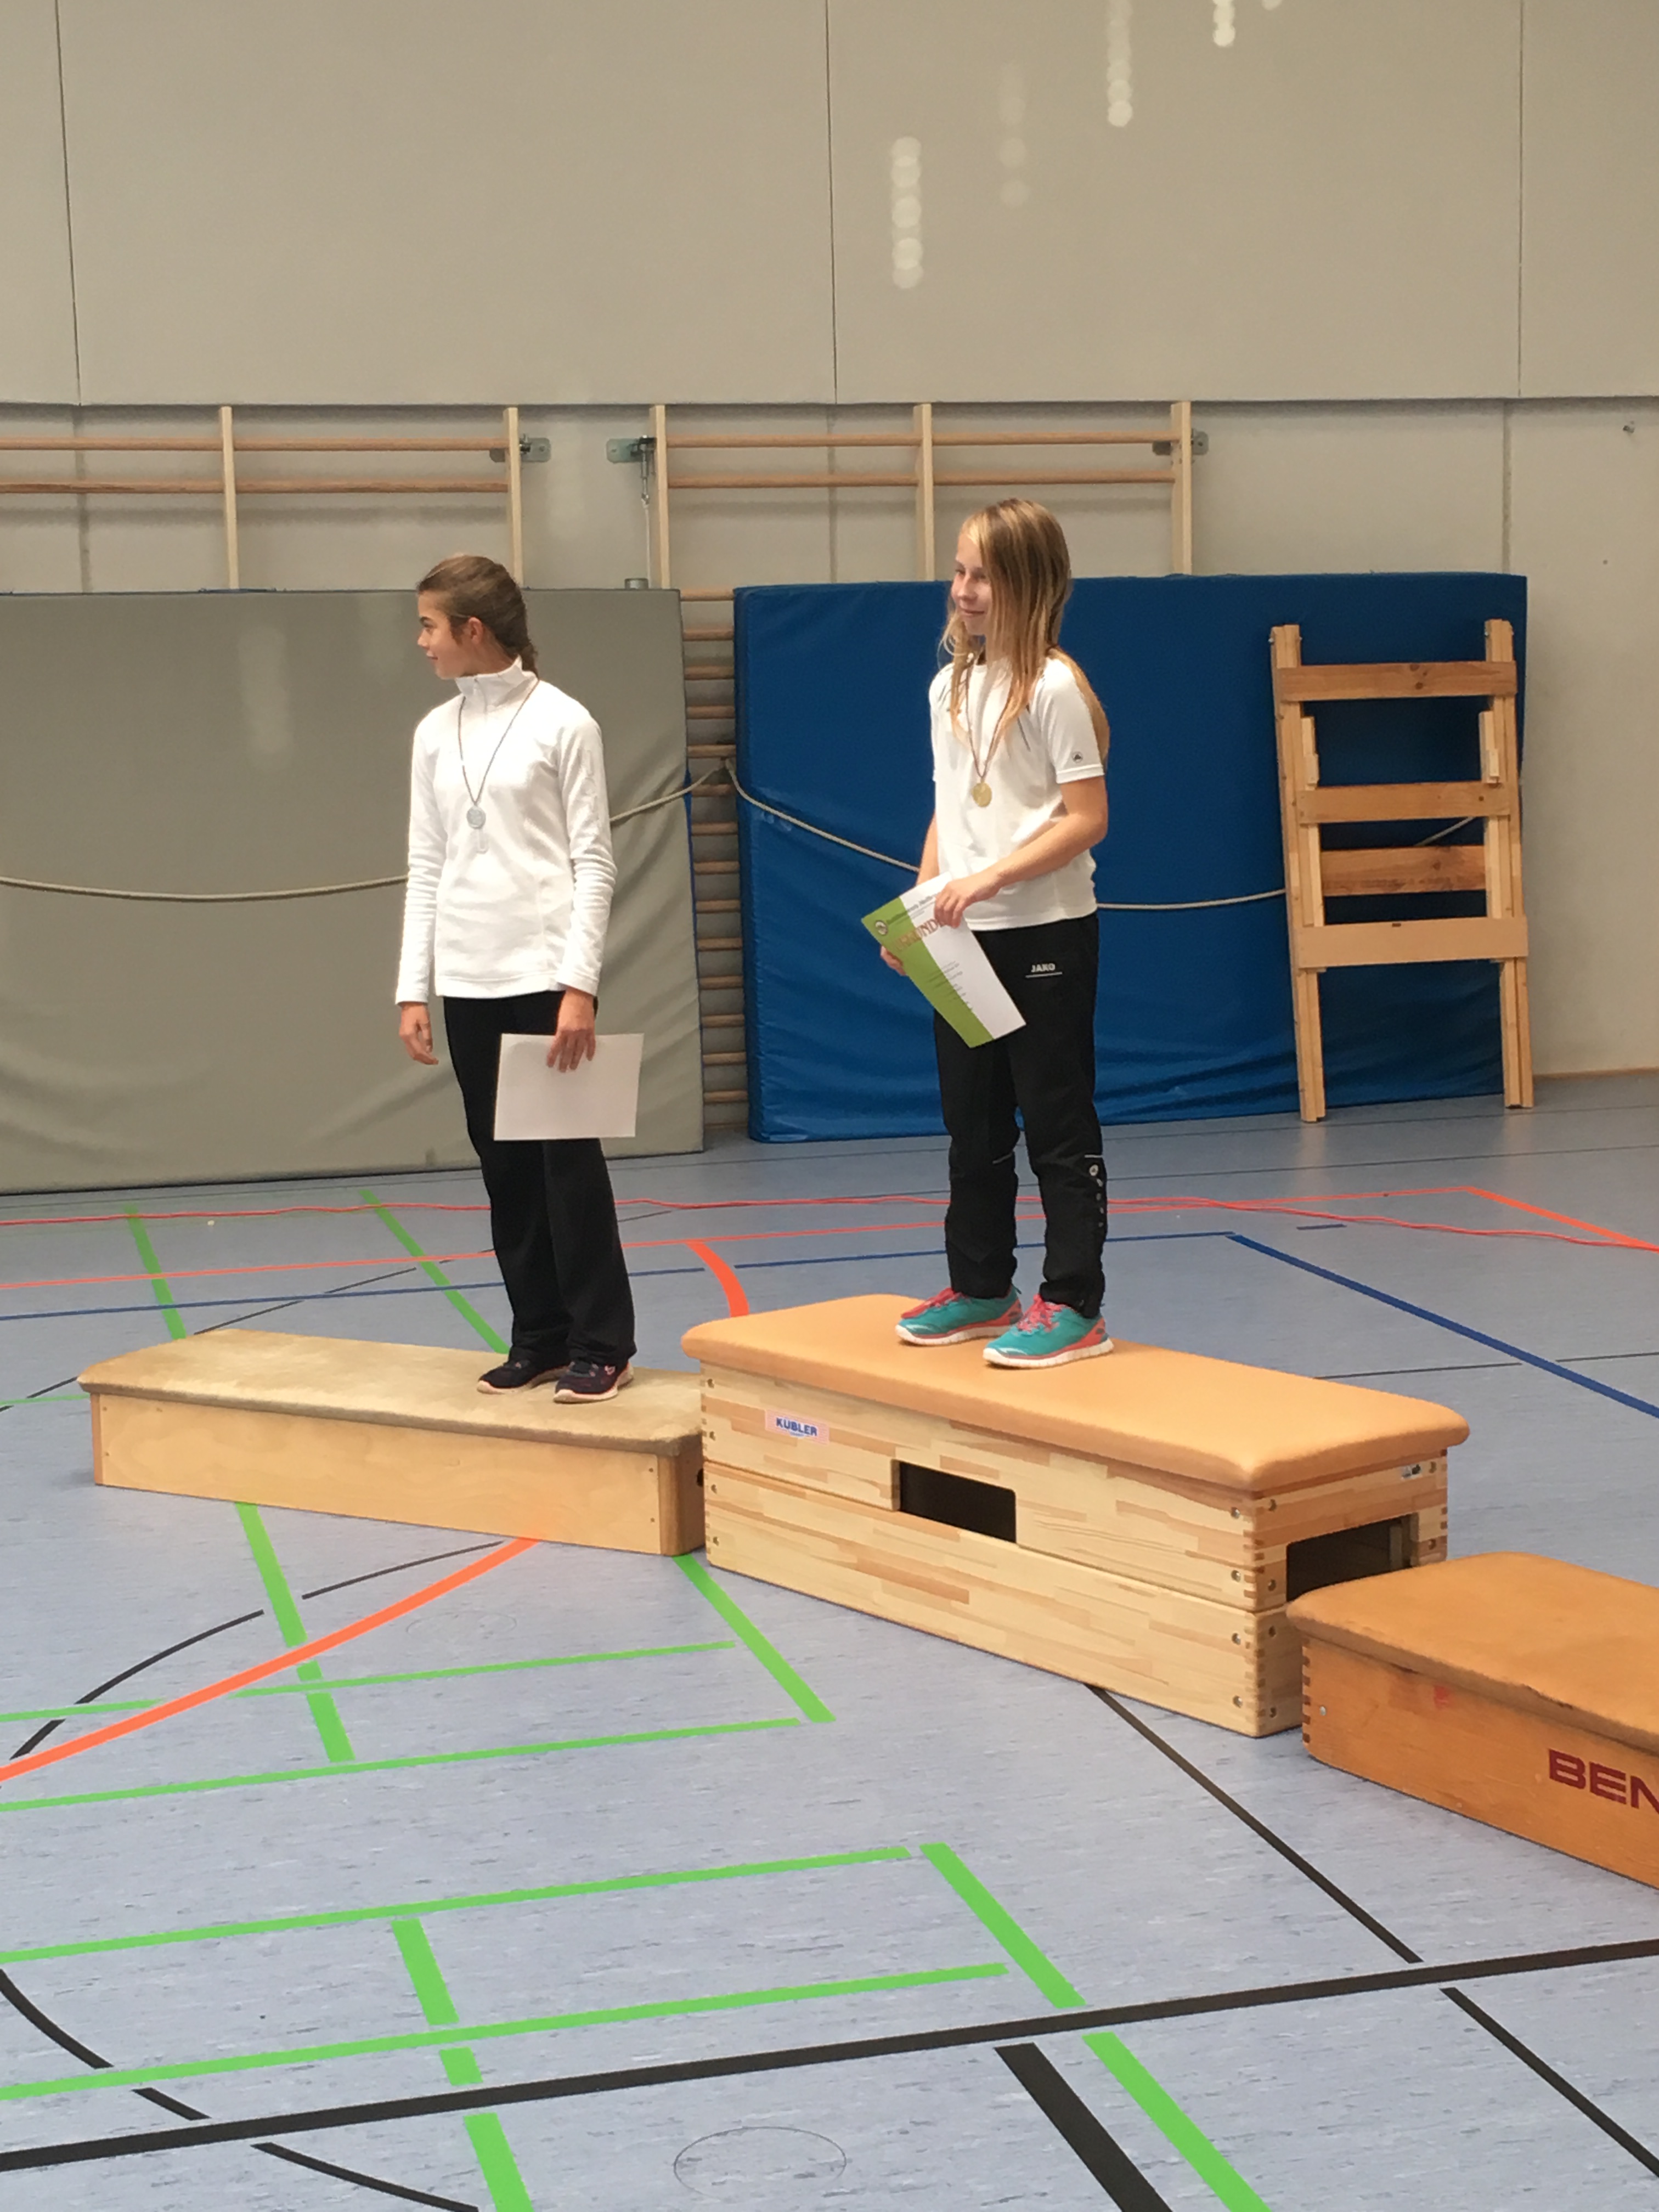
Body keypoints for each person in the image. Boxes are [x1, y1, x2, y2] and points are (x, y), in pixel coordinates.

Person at [394, 553, 636, 1401]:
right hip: (468, 982)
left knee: (567, 1170)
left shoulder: (564, 723)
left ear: (473, 629)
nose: (421, 641)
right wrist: (413, 987)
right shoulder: (434, 733)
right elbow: (426, 865)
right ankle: (539, 1334)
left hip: (543, 980)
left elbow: (594, 864)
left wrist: (579, 986)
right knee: (506, 1175)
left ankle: (602, 1342)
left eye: (429, 625)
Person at [886, 500, 1111, 1369]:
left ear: (1028, 583)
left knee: (1056, 1126)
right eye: (959, 571)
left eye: (983, 575)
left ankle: (1075, 1303)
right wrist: (920, 908)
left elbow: (1086, 819)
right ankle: (982, 1288)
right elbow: (949, 811)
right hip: (963, 939)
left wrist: (992, 878)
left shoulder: (1054, 688)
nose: (964, 590)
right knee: (973, 1129)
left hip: (1045, 933)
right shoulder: (948, 687)